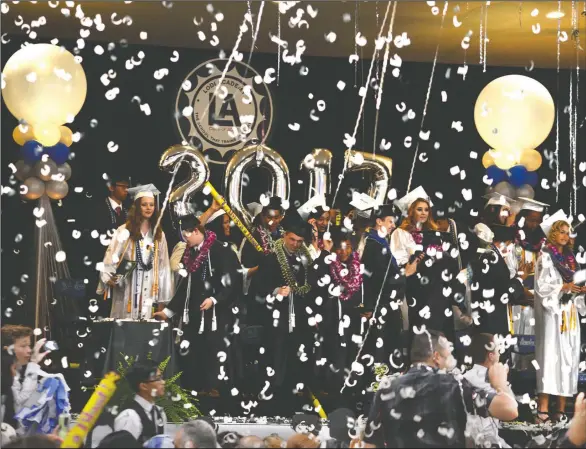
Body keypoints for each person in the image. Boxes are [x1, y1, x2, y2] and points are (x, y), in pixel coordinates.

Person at [362, 330, 518, 448]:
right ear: (436, 357)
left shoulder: (386, 388)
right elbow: (509, 410)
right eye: (448, 356)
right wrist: (500, 384)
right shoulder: (453, 384)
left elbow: (369, 445)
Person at [155, 215, 240, 394]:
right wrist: (168, 312)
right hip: (195, 312)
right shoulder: (192, 253)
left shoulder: (222, 251)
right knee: (196, 350)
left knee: (215, 350)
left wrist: (215, 299)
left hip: (217, 313)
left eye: (186, 236)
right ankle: (198, 390)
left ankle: (216, 389)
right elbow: (186, 286)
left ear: (196, 231)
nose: (185, 241)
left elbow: (232, 281)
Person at [254, 209, 321, 396]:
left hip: (300, 314)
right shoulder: (271, 258)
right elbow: (258, 287)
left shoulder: (305, 259)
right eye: (292, 240)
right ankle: (274, 390)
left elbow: (312, 286)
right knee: (276, 352)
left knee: (299, 351)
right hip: (277, 314)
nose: (295, 244)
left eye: (300, 241)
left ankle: (297, 388)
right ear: (284, 236)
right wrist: (276, 291)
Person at [391, 187, 466, 345]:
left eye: (426, 209)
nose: (423, 213)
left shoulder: (434, 233)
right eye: (419, 209)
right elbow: (398, 260)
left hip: (438, 285)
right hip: (417, 286)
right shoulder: (401, 232)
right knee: (421, 323)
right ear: (411, 211)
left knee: (440, 323)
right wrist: (418, 259)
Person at [534, 212, 586, 423]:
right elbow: (542, 287)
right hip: (552, 314)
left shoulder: (572, 259)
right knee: (550, 357)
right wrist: (564, 286)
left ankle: (561, 410)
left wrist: (580, 291)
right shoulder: (545, 256)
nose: (565, 236)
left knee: (568, 358)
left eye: (568, 232)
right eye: (561, 232)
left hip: (570, 313)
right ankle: (543, 409)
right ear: (553, 234)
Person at [98, 184, 173, 320]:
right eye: (144, 204)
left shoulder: (158, 234)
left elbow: (164, 267)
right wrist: (110, 277)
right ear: (137, 207)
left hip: (150, 287)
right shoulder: (124, 230)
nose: (149, 208)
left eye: (151, 204)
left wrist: (163, 302)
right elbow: (111, 255)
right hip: (128, 286)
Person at [469, 194, 528, 359]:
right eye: (504, 210)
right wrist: (519, 279)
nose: (508, 216)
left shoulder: (493, 253)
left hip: (492, 314)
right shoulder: (486, 253)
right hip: (490, 318)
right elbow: (503, 290)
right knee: (493, 360)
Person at [360, 204, 416, 372]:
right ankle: (377, 384)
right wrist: (405, 273)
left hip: (383, 304)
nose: (393, 225)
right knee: (379, 348)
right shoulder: (374, 245)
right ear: (379, 221)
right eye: (390, 221)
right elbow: (376, 280)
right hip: (380, 305)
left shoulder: (379, 242)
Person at [312, 227, 364, 392]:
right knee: (333, 353)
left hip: (352, 317)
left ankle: (347, 387)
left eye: (347, 247)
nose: (344, 251)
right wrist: (325, 252)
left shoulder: (356, 266)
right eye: (339, 248)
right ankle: (331, 388)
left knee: (350, 353)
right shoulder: (327, 264)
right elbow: (315, 277)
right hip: (332, 317)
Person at [511, 198, 549, 372]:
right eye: (531, 220)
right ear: (523, 219)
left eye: (538, 221)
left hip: (537, 301)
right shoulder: (514, 243)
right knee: (517, 340)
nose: (534, 224)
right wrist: (523, 293)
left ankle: (531, 380)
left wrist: (538, 296)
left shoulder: (545, 245)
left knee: (535, 340)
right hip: (519, 301)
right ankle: (514, 377)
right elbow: (510, 272)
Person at [464, 333, 512, 448]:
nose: (500, 354)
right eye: (498, 350)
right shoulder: (489, 380)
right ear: (491, 355)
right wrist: (502, 383)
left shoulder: (465, 376)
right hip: (485, 441)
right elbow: (510, 411)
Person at [1, 326, 51, 417]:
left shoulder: (13, 370)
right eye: (23, 346)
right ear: (8, 349)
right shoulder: (3, 375)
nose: (29, 350)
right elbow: (20, 405)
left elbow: (20, 401)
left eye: (29, 345)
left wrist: (34, 363)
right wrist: (33, 363)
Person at [113, 360, 167, 444]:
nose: (163, 382)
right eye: (158, 379)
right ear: (143, 386)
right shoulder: (130, 417)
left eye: (162, 378)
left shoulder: (159, 412)